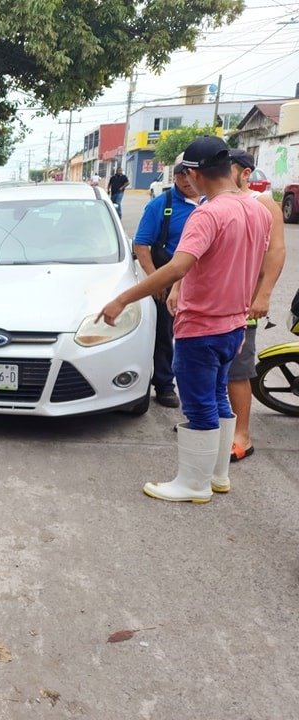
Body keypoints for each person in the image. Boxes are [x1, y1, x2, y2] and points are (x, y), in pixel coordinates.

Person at [99, 136, 271, 504]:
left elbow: (178, 265)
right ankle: (218, 475)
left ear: (193, 173)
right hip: (233, 326)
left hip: (202, 327)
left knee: (198, 406)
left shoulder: (207, 214)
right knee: (219, 400)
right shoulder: (257, 209)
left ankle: (193, 484)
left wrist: (121, 299)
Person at [224, 148, 286, 463]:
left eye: (227, 168)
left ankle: (241, 436)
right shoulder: (216, 201)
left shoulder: (263, 204)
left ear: (245, 173)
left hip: (243, 304)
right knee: (209, 368)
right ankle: (213, 425)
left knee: (238, 369)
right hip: (212, 303)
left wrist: (263, 295)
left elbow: (276, 252)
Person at [132, 154, 201, 408]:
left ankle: (197, 385)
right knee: (165, 335)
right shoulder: (160, 205)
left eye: (190, 173)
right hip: (168, 281)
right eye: (180, 173)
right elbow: (141, 245)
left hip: (202, 285)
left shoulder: (212, 204)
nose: (185, 179)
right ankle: (164, 385)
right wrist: (155, 281)